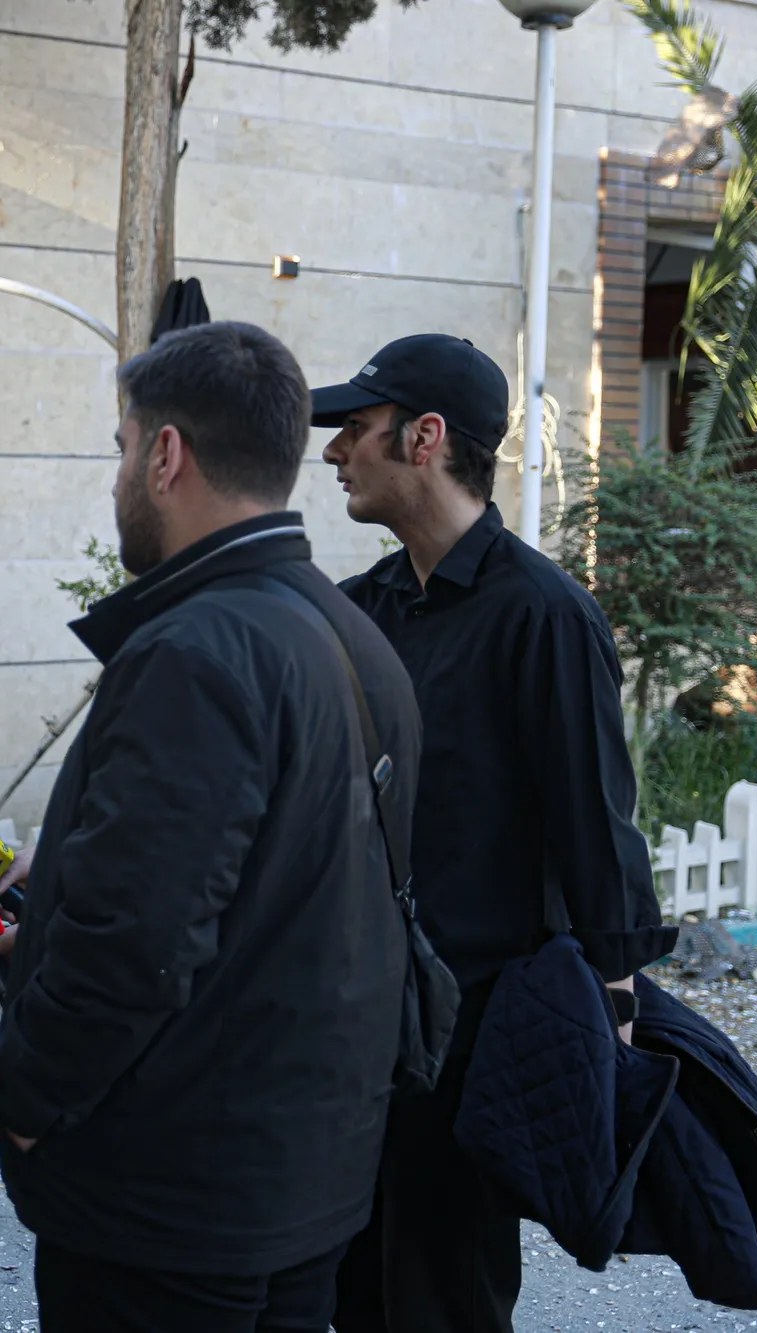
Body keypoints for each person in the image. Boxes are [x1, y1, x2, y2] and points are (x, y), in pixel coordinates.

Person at [0, 322, 419, 1333]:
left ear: (166, 455)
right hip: (299, 1179)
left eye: (121, 448)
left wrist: (27, 1101)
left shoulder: (196, 648)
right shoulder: (349, 632)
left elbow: (134, 938)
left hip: (170, 1203)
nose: (118, 477)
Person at [316, 334, 674, 1333]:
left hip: (477, 1035)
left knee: (445, 1294)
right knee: (346, 1286)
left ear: (424, 437)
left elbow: (594, 822)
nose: (334, 450)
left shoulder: (543, 614)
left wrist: (615, 1010)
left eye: (357, 427)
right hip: (352, 1023)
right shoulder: (356, 612)